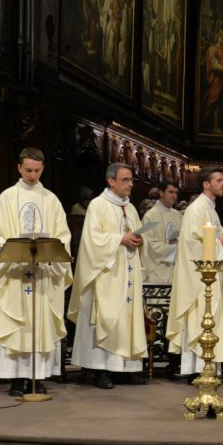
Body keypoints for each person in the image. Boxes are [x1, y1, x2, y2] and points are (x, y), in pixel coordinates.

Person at [0, 147, 73, 398]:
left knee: (40, 324)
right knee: (16, 323)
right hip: (14, 274)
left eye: (37, 170)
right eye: (28, 170)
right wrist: (12, 252)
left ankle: (37, 377)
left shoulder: (51, 200)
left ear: (43, 168)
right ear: (19, 168)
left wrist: (50, 254)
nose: (33, 175)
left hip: (42, 274)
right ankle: (15, 379)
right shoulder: (7, 198)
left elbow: (63, 236)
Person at [68, 163, 147, 390]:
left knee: (127, 318)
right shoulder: (98, 205)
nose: (130, 184)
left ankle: (125, 369)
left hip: (128, 272)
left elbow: (138, 233)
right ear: (111, 181)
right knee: (106, 317)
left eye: (131, 180)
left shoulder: (130, 209)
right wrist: (120, 239)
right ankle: (100, 369)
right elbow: (92, 240)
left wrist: (139, 240)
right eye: (125, 180)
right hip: (106, 274)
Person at [167, 167, 223, 378]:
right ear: (206, 184)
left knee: (210, 317)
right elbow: (189, 242)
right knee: (202, 316)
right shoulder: (197, 209)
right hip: (200, 278)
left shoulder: (210, 208)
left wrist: (221, 242)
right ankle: (197, 369)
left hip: (211, 274)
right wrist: (218, 242)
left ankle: (210, 366)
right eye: (219, 180)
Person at [139, 180, 184, 284]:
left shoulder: (178, 216)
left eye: (176, 193)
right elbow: (149, 245)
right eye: (171, 192)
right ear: (161, 193)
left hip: (176, 269)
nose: (174, 196)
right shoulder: (150, 216)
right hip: (157, 271)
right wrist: (174, 249)